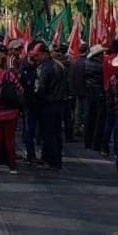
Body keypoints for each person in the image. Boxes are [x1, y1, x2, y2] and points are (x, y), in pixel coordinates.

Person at [0, 51, 23, 174]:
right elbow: (20, 90)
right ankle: (12, 166)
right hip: (10, 112)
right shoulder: (9, 75)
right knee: (10, 140)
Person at [32, 42, 67, 170]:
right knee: (56, 133)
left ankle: (52, 160)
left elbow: (41, 88)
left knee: (49, 134)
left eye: (38, 55)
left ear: (44, 54)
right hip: (58, 103)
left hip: (48, 104)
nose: (36, 58)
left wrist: (35, 98)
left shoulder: (46, 68)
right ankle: (53, 158)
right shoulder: (59, 66)